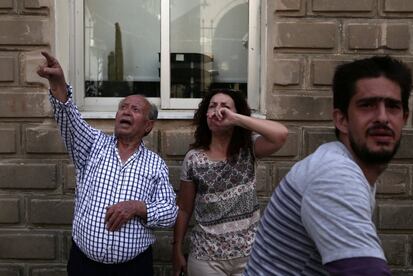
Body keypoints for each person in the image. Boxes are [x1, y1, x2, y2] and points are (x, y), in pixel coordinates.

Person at [244, 55, 412, 275]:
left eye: (392, 106)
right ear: (341, 119)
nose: (382, 117)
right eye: (367, 105)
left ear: (404, 119)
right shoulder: (335, 175)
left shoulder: (344, 167)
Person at [37, 52, 178, 276]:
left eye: (135, 109)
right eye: (123, 107)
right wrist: (59, 85)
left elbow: (170, 212)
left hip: (133, 268)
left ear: (148, 125)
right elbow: (70, 119)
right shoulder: (93, 145)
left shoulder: (155, 164)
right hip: (84, 266)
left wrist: (137, 207)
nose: (125, 111)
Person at [172, 88, 289, 276]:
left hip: (249, 255)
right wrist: (176, 249)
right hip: (206, 257)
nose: (218, 111)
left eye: (225, 106)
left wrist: (235, 119)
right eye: (212, 106)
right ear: (205, 115)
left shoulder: (248, 149)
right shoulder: (193, 159)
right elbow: (185, 209)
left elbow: (281, 134)